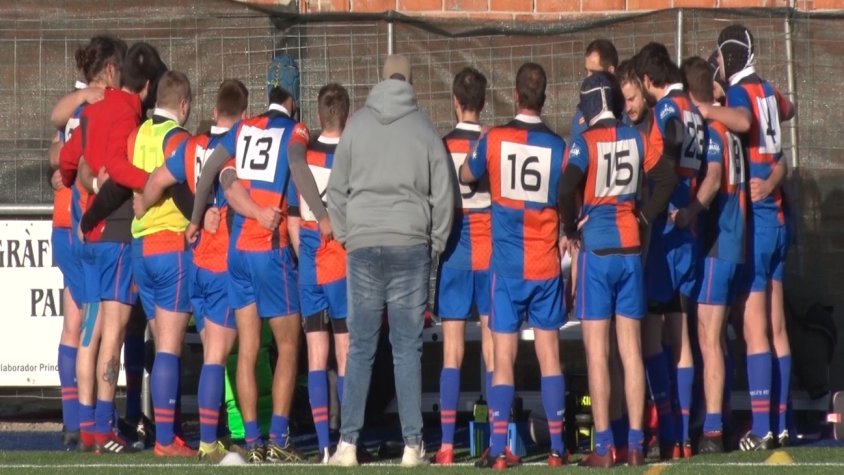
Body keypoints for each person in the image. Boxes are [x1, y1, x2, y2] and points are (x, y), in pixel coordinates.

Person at [325, 54, 454, 467]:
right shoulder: (424, 128)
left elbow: (336, 190)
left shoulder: (356, 125)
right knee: (406, 348)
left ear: (381, 80)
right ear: (410, 82)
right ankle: (413, 444)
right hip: (411, 243)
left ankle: (347, 443)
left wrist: (347, 233)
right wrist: (435, 241)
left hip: (363, 243)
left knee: (360, 346)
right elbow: (444, 193)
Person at [187, 84, 326, 464]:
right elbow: (297, 164)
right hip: (270, 249)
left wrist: (195, 219)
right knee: (289, 346)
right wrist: (322, 214)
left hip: (237, 252)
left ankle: (252, 442)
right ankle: (278, 439)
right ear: (292, 100)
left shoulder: (243, 127)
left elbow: (211, 170)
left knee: (247, 348)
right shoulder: (295, 130)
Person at [560, 71, 677, 468]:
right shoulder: (636, 137)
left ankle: (605, 447)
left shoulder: (585, 141)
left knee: (597, 353)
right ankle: (637, 444)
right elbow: (666, 178)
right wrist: (642, 217)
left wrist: (568, 228)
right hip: (630, 250)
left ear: (590, 105)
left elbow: (565, 188)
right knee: (631, 351)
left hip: (597, 251)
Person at [60, 40, 170, 456]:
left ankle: (88, 427)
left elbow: (68, 158)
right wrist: (155, 181)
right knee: (114, 332)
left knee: (89, 331)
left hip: (88, 236)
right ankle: (105, 426)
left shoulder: (94, 108)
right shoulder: (127, 113)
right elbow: (121, 170)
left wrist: (77, 183)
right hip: (116, 234)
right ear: (147, 87)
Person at [460, 62, 567, 469]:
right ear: (545, 98)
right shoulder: (558, 147)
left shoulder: (494, 138)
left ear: (516, 96)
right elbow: (566, 196)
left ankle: (500, 448)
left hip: (506, 266)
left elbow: (467, 175)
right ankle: (557, 448)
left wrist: (484, 154)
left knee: (502, 356)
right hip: (545, 264)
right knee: (550, 356)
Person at [139, 79, 249, 462]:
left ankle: (211, 435)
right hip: (221, 262)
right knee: (217, 354)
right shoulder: (239, 149)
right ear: (245, 116)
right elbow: (235, 191)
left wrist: (142, 206)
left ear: (214, 112)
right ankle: (208, 441)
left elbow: (157, 180)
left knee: (209, 353)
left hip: (196, 262)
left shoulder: (192, 145)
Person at [698, 24, 796, 451]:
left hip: (757, 220)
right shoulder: (769, 89)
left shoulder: (740, 94)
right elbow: (789, 110)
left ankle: (761, 427)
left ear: (732, 55)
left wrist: (707, 108)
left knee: (755, 327)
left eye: (721, 56)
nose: (718, 63)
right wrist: (776, 173)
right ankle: (782, 422)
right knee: (777, 327)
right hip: (780, 219)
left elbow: (742, 119)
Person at [634, 42, 706, 459]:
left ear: (648, 80)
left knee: (652, 332)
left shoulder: (667, 109)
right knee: (680, 335)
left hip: (666, 228)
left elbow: (672, 137)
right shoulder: (694, 107)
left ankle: (669, 431)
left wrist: (659, 193)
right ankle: (682, 437)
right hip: (688, 231)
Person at [681, 56, 747, 454]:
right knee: (717, 337)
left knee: (707, 338)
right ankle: (719, 414)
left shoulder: (712, 130)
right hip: (733, 239)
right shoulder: (729, 128)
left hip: (718, 242)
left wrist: (689, 212)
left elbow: (714, 177)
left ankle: (712, 430)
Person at [430, 67, 494, 466]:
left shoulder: (442, 145)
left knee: (451, 351)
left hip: (454, 246)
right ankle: (496, 437)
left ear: (455, 102)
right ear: (482, 103)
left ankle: (446, 445)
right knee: (493, 346)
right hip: (488, 246)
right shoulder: (493, 142)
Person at [286, 83, 351, 464]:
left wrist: (305, 258)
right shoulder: (353, 155)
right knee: (345, 353)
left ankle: (324, 445)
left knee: (315, 354)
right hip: (342, 262)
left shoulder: (304, 155)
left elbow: (293, 220)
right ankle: (347, 441)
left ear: (318, 115)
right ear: (347, 115)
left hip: (310, 259)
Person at [571, 39, 619, 143]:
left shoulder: (629, 107)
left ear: (611, 71)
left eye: (593, 72)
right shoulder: (582, 117)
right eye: (587, 71)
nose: (588, 78)